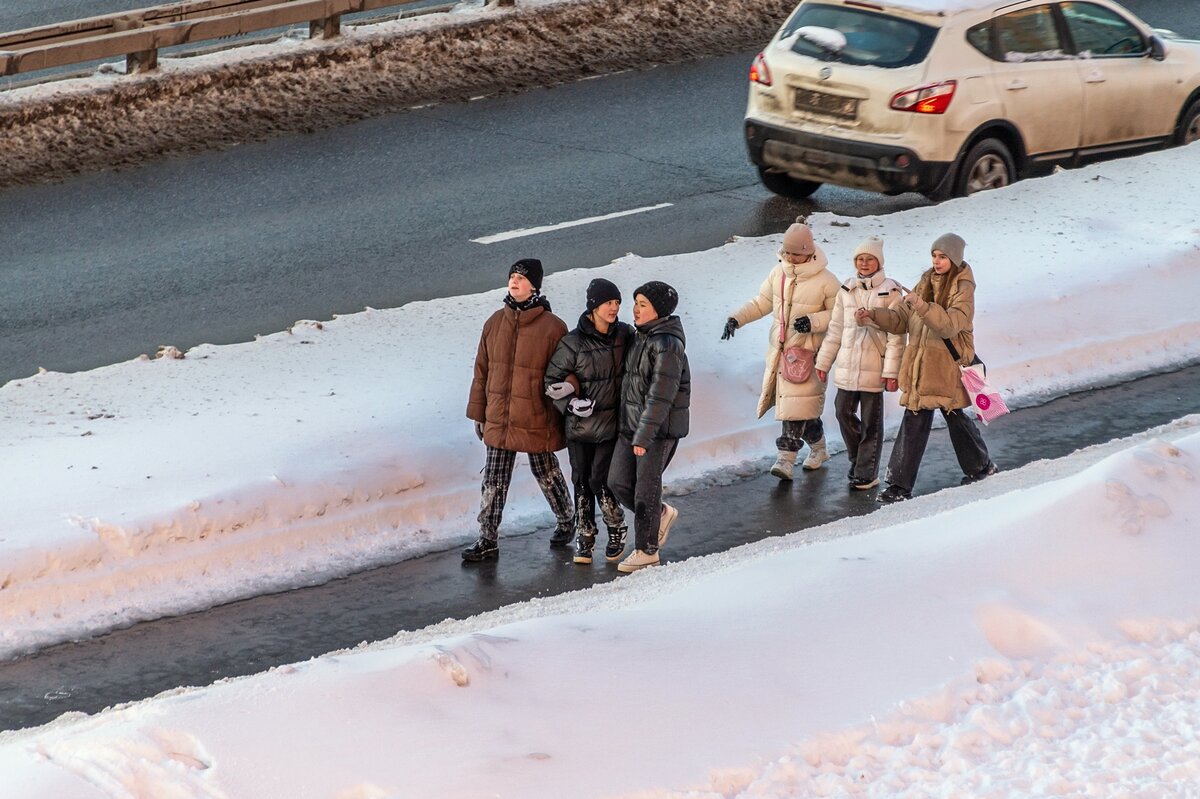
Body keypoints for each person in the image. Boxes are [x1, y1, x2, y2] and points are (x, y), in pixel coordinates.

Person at [855, 233, 998, 503]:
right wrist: (874, 316)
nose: (937, 261)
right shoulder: (925, 282)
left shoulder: (963, 287)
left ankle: (977, 466)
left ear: (954, 259)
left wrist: (921, 304)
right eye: (934, 256)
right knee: (921, 420)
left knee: (952, 417)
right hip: (922, 366)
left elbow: (950, 324)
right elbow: (901, 321)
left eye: (943, 257)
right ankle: (903, 485)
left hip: (947, 367)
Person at [463, 258, 574, 561]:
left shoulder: (553, 328)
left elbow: (567, 371)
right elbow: (482, 371)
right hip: (499, 415)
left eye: (521, 278)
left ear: (535, 285)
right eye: (512, 276)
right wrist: (479, 412)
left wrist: (564, 402)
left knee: (545, 471)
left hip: (535, 414)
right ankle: (487, 538)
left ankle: (567, 519)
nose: (514, 281)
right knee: (494, 479)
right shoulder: (494, 323)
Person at [720, 221, 839, 480]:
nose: (790, 257)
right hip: (780, 353)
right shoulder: (778, 274)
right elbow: (762, 302)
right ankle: (819, 449)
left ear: (809, 251)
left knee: (795, 408)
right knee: (799, 409)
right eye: (787, 252)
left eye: (796, 253)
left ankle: (785, 460)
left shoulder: (827, 281)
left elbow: (840, 314)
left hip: (809, 355)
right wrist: (736, 319)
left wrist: (813, 321)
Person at [543, 278, 634, 565]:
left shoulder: (625, 335)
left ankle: (616, 525)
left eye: (617, 302)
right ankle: (585, 534)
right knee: (581, 480)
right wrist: (569, 402)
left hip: (611, 424)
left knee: (600, 479)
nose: (614, 308)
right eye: (608, 302)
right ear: (593, 306)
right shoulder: (572, 343)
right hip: (579, 427)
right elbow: (551, 379)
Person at [608, 281, 690, 573]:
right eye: (636, 303)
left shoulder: (668, 345)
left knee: (646, 490)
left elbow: (660, 397)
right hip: (631, 426)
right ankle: (661, 514)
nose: (636, 309)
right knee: (617, 481)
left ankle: (647, 551)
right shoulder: (641, 337)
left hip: (657, 431)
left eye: (643, 304)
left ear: (660, 311)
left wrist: (644, 435)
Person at [814, 236, 905, 490]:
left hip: (875, 368)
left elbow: (897, 336)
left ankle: (866, 472)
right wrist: (823, 363)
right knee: (842, 411)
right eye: (860, 259)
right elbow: (835, 329)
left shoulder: (891, 291)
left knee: (871, 422)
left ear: (879, 261)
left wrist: (891, 372)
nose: (864, 264)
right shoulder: (847, 289)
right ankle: (858, 458)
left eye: (869, 259)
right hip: (847, 366)